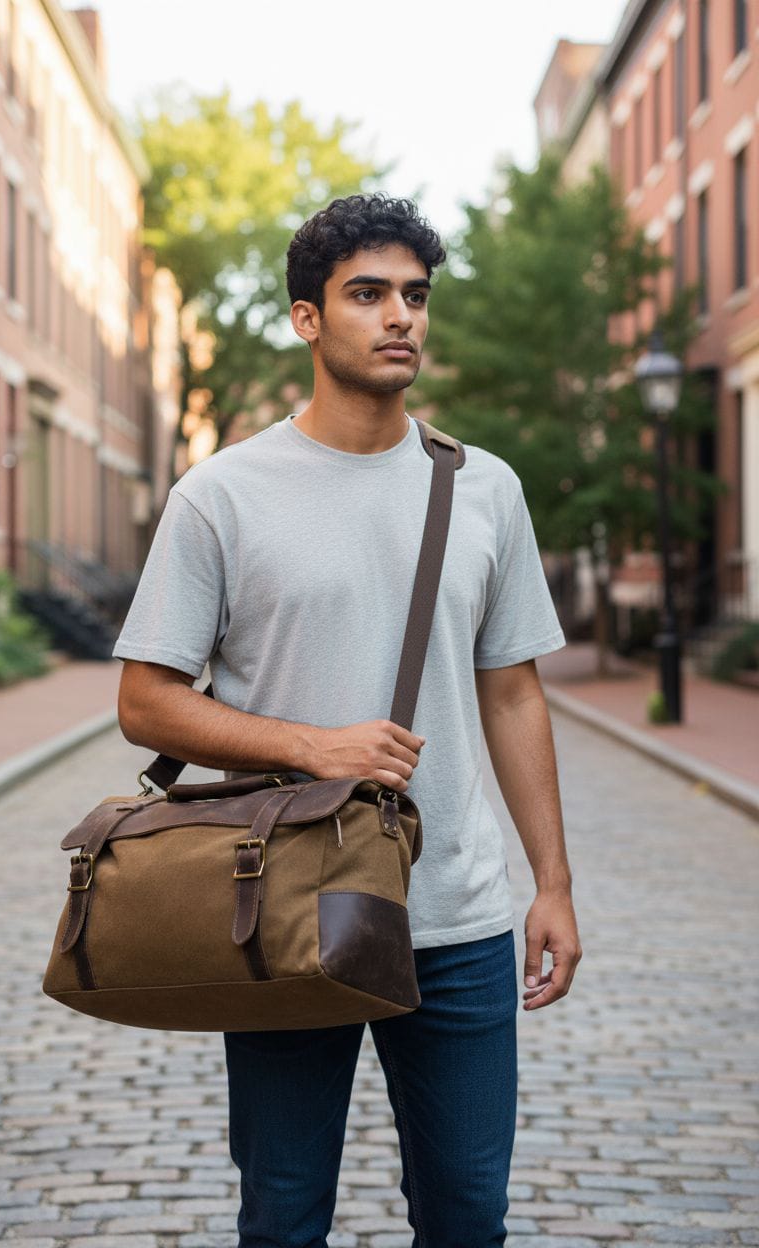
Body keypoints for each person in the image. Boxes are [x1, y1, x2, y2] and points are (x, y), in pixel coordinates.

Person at [112, 193, 583, 1248]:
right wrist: (306, 744)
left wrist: (549, 885)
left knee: (467, 1215)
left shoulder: (485, 490)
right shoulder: (223, 495)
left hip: (455, 919)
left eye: (414, 295)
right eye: (366, 294)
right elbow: (145, 699)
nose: (399, 317)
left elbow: (511, 691)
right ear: (306, 318)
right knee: (283, 1216)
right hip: (282, 905)